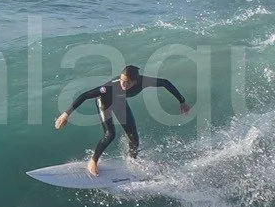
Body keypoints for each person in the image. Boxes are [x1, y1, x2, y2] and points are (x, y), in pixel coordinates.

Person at [55, 64, 191, 174]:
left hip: (120, 102)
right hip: (105, 102)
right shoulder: (110, 87)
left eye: (126, 82)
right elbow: (85, 95)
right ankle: (93, 161)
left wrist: (182, 101)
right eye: (121, 80)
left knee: (134, 138)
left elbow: (165, 83)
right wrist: (66, 114)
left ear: (135, 81)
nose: (122, 84)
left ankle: (132, 162)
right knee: (110, 134)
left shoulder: (144, 81)